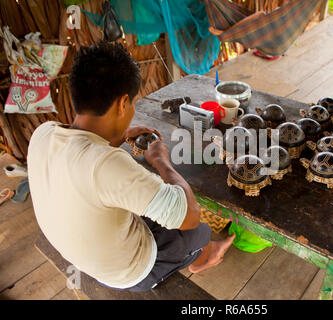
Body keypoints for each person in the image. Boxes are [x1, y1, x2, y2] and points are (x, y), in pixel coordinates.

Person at [27, 42, 235, 292]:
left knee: (153, 203)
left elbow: (85, 148)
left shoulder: (43, 133)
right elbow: (190, 214)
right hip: (128, 271)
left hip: (80, 248)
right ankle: (205, 257)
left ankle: (201, 251)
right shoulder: (106, 165)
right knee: (197, 231)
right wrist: (161, 161)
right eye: (133, 103)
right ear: (123, 103)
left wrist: (119, 134)